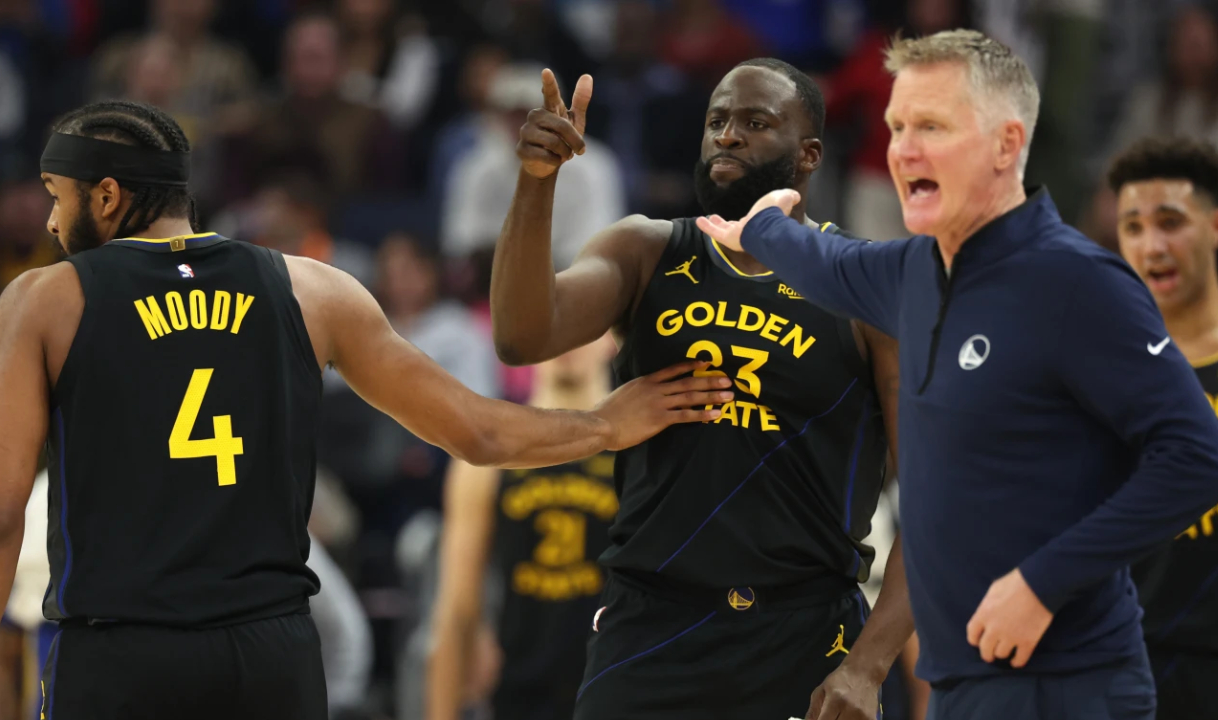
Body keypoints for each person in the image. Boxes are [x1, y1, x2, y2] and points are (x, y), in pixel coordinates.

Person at [0, 99, 733, 719]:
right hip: (270, 658)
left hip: (121, 654)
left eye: (57, 197)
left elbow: (4, 511)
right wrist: (606, 423)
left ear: (105, 197)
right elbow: (476, 430)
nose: (54, 227)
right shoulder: (312, 289)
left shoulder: (46, 300)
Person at [696, 30, 1218, 720]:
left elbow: (1198, 459)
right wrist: (763, 227)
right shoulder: (913, 272)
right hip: (959, 688)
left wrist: (1042, 585)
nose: (903, 149)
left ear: (1007, 145)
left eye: (931, 126)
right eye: (896, 126)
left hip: (1069, 686)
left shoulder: (1078, 282)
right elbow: (825, 265)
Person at [489, 59, 914, 720]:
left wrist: (869, 665)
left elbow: (937, 497)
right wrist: (536, 183)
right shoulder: (645, 250)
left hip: (802, 632)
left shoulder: (865, 291)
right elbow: (521, 334)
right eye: (716, 120)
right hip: (651, 624)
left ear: (808, 156)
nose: (728, 136)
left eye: (754, 122)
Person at [1108, 136, 1218, 720]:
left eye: (1170, 221)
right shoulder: (1096, 370)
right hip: (1125, 668)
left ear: (1216, 226)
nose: (1151, 244)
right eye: (1132, 226)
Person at [428, 334, 620, 720]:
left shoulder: (641, 453)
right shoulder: (487, 458)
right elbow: (456, 611)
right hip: (521, 692)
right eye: (553, 325)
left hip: (617, 691)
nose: (567, 340)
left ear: (612, 338)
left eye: (585, 327)